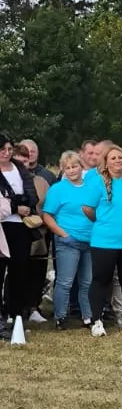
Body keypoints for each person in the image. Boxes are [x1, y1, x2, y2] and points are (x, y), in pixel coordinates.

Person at [81, 146, 122, 336]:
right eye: (113, 158)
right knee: (101, 280)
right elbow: (87, 208)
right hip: (104, 241)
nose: (118, 161)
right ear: (106, 162)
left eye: (121, 157)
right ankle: (96, 321)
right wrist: (103, 221)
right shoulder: (97, 182)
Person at [42, 150, 94, 328]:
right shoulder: (57, 189)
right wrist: (63, 234)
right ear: (63, 170)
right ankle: (61, 316)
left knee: (87, 282)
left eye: (74, 166)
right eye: (67, 168)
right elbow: (47, 215)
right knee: (65, 281)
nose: (71, 170)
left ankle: (88, 316)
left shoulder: (91, 187)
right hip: (68, 241)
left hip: (90, 240)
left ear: (81, 167)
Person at [0, 132, 40, 330]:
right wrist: (15, 206)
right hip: (2, 225)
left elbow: (32, 195)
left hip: (20, 226)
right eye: (2, 149)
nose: (6, 153)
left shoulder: (20, 168)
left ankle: (16, 314)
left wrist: (24, 204)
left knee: (19, 271)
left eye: (9, 149)